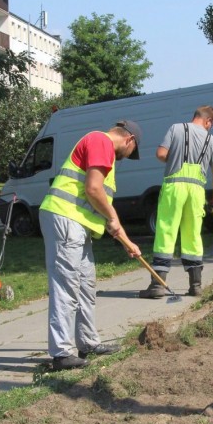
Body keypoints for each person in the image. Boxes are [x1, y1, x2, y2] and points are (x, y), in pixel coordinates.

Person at [39, 120, 142, 371]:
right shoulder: (100, 141)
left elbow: (104, 208)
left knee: (86, 283)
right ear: (128, 140)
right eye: (132, 152)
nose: (127, 158)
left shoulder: (103, 150)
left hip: (78, 223)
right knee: (67, 284)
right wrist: (112, 218)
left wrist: (127, 241)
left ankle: (87, 342)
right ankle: (62, 353)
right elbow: (93, 189)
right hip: (65, 218)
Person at [139, 105, 213, 299]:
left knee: (166, 232)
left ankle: (157, 286)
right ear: (208, 121)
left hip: (174, 188)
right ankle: (196, 286)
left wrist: (174, 159)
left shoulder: (176, 128)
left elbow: (160, 154)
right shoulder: (212, 140)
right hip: (196, 192)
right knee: (192, 235)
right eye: (211, 124)